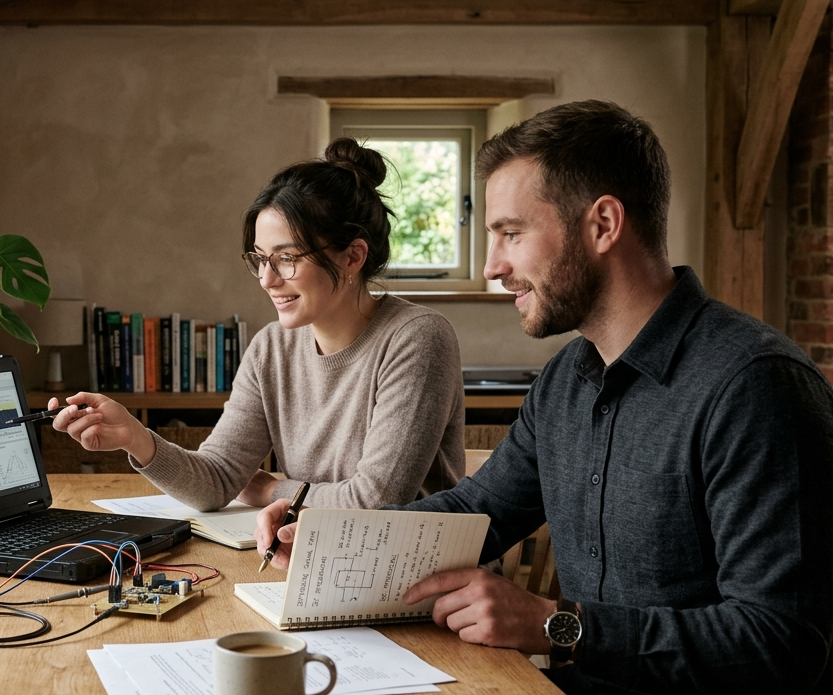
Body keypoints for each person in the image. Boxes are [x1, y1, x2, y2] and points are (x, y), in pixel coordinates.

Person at [256, 101, 833, 694]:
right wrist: (325, 537)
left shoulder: (757, 386)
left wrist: (558, 627)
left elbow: (783, 643)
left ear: (604, 224)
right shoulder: (565, 380)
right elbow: (477, 514)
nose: (491, 266)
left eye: (511, 233)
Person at [51, 138, 465, 512]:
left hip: (421, 577)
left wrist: (272, 492)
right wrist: (134, 438)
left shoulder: (417, 337)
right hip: (314, 562)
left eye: (287, 258)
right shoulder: (272, 348)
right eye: (260, 259)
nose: (267, 280)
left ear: (353, 256)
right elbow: (216, 480)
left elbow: (374, 502)